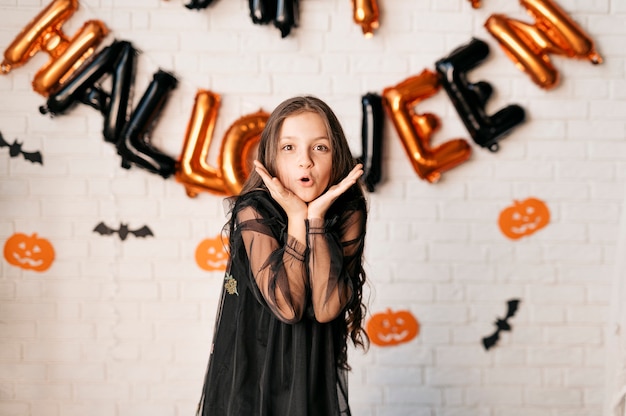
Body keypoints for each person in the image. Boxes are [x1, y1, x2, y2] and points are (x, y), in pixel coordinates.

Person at [197, 95, 370, 416]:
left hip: (313, 373)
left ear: (337, 157)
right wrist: (295, 218)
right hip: (254, 371)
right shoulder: (254, 210)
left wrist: (315, 220)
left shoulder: (347, 209)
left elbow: (326, 307)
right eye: (289, 148)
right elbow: (288, 307)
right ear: (272, 158)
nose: (305, 161)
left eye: (320, 148)